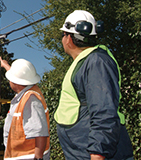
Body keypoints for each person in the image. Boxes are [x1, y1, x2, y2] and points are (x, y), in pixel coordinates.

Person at [54, 10, 134, 160]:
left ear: (69, 38)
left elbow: (104, 112)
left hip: (95, 154)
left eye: (63, 34)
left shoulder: (96, 62)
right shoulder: (87, 62)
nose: (62, 39)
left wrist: (98, 153)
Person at [0, 57, 50, 160]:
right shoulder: (26, 92)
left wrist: (38, 157)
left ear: (15, 82)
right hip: (21, 155)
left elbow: (39, 132)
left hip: (28, 156)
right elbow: (19, 76)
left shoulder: (30, 99)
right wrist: (5, 65)